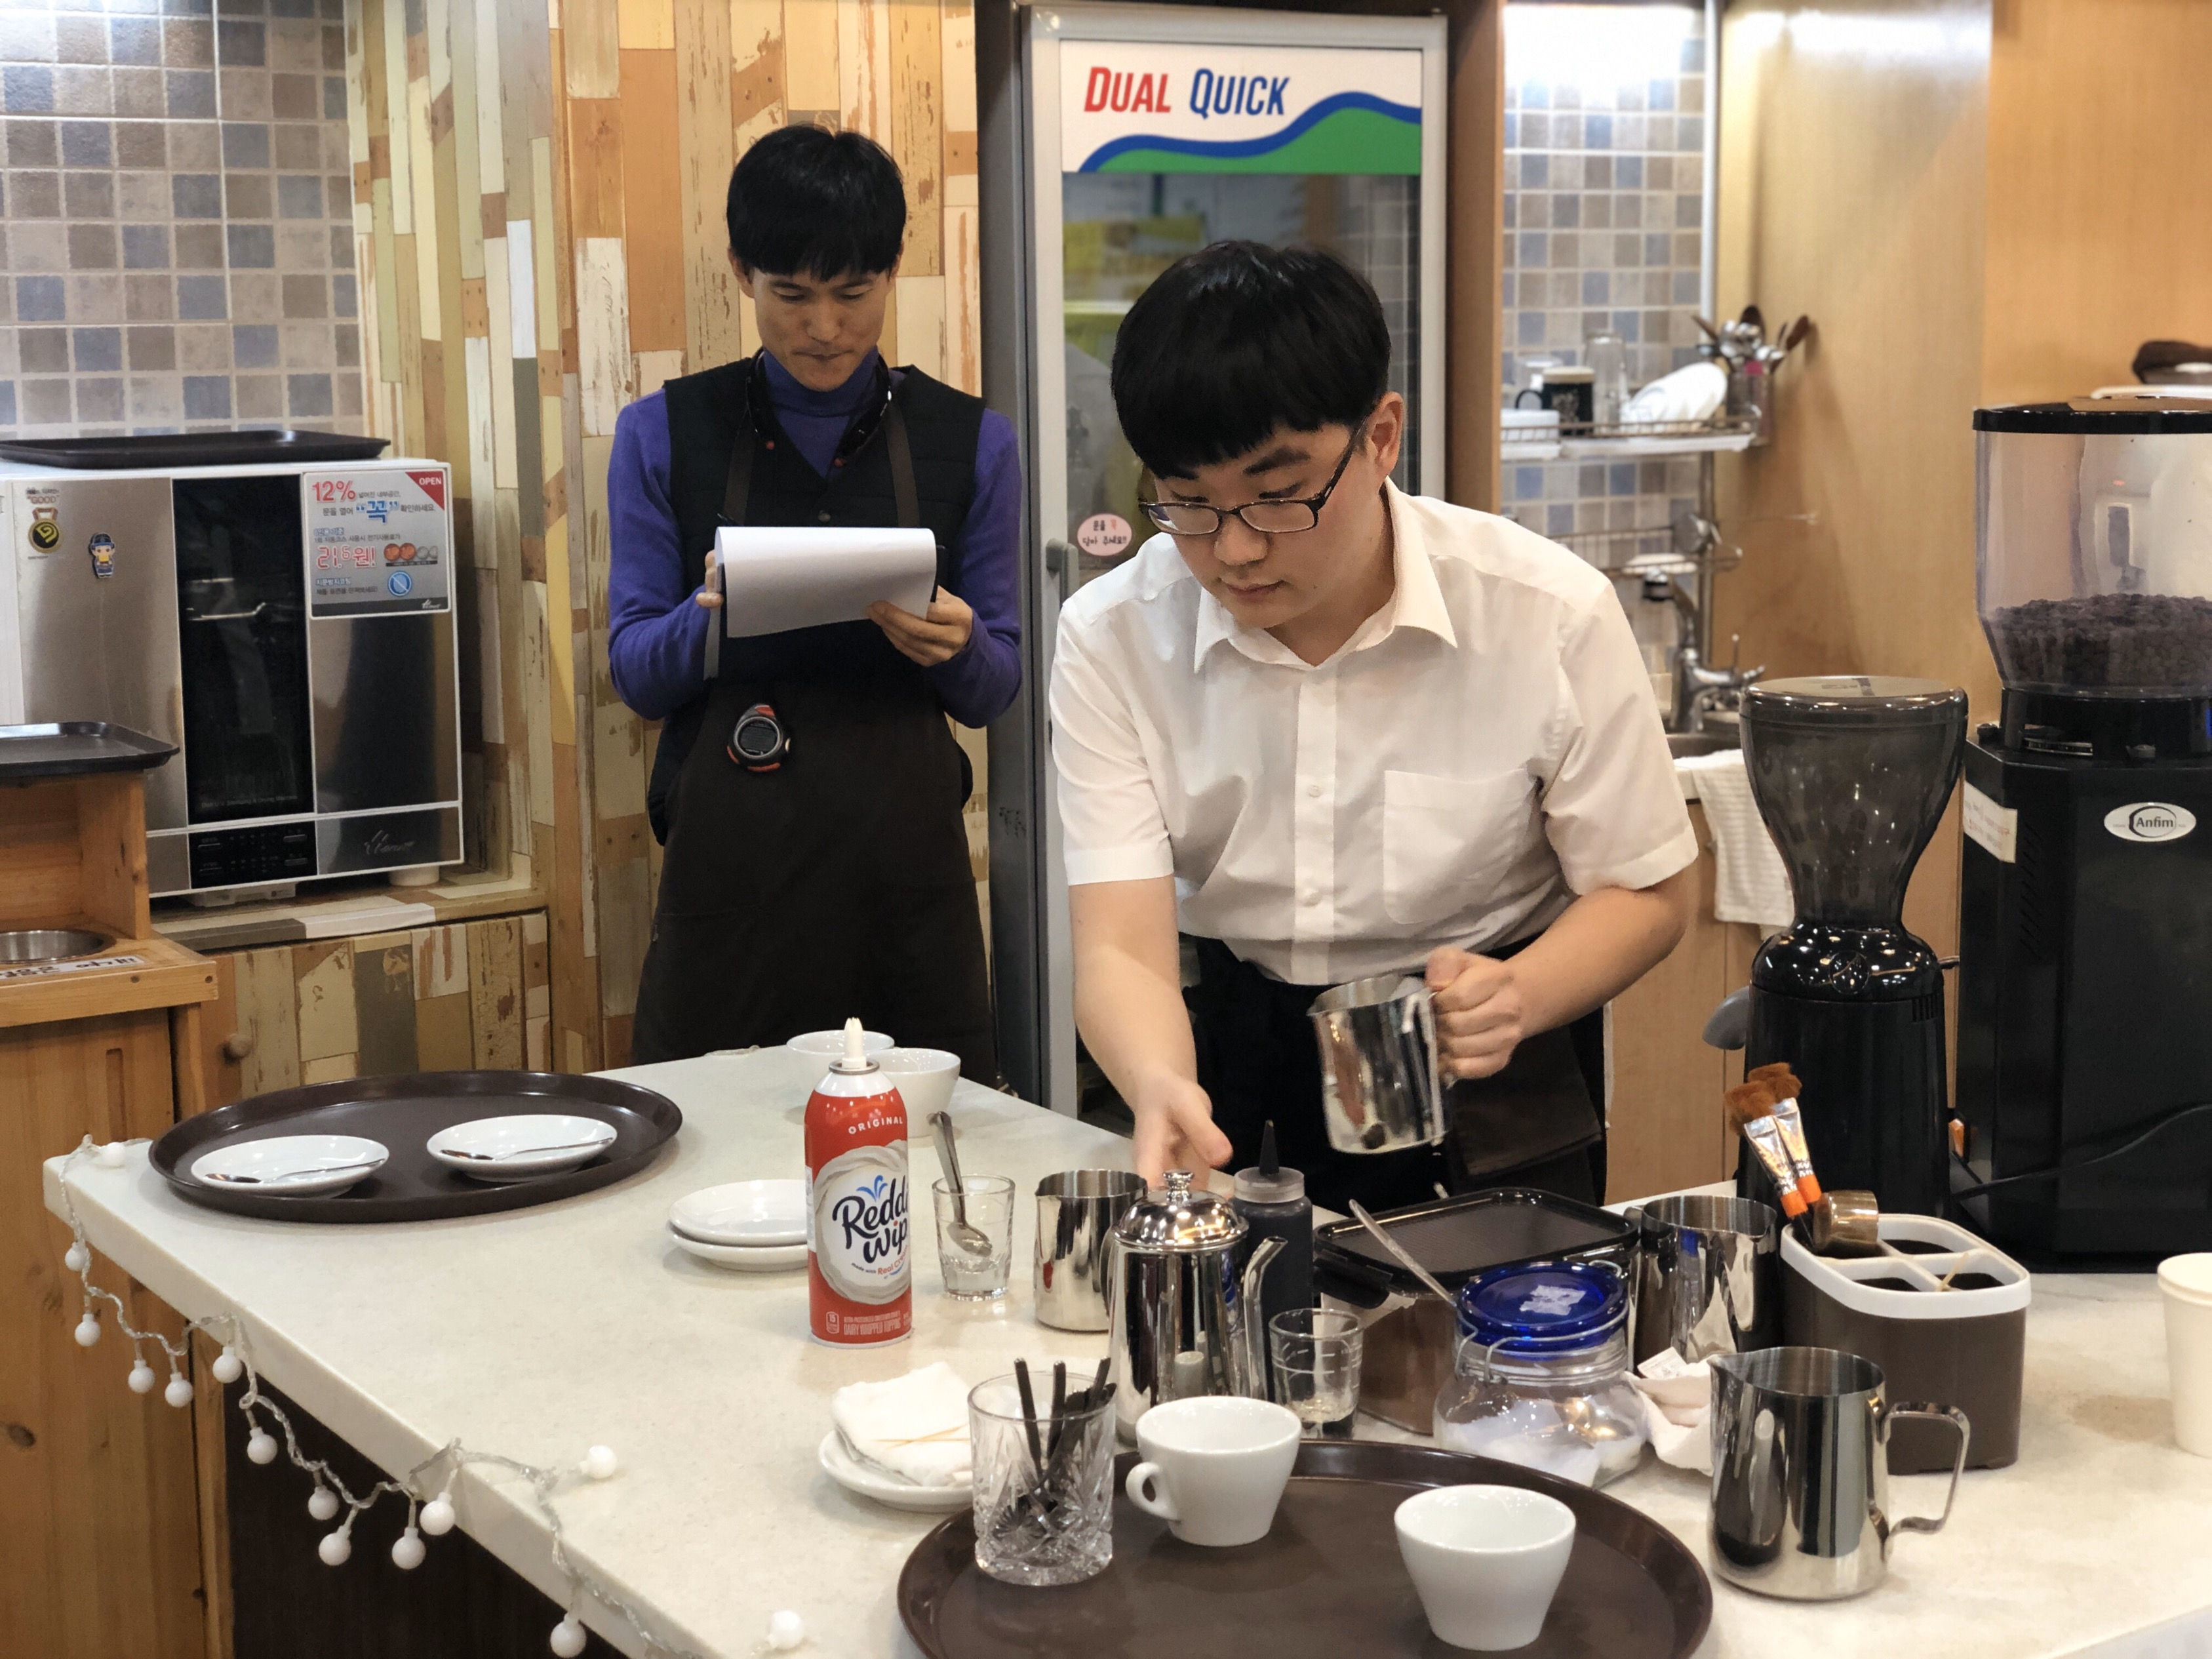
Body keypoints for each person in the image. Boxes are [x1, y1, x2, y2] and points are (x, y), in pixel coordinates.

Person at [1051, 241, 1697, 1212]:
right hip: (1238, 1053)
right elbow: (1123, 946)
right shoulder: (1113, 635)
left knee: (1512, 1309)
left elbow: (1649, 890)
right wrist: (1156, 1081)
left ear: (1381, 436)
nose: (1235, 548)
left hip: (1493, 1061)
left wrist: (1520, 994)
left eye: (1278, 495)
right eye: (1188, 503)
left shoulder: (1544, 612)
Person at [606, 126, 1020, 1075]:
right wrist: (711, 610)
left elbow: (992, 690)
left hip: (906, 878)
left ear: (893, 273)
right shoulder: (663, 432)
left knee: (920, 1130)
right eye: (791, 295)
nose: (825, 328)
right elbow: (635, 673)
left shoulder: (972, 440)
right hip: (730, 874)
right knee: (718, 1127)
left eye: (854, 293)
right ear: (741, 273)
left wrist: (960, 644)